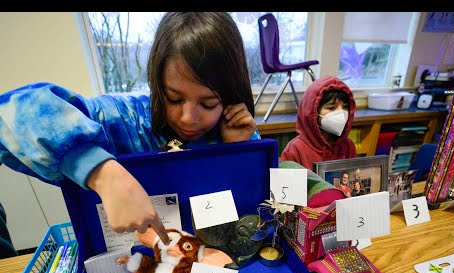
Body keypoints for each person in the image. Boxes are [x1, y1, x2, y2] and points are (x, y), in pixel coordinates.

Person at [0, 12, 260, 248]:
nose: (188, 118)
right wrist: (102, 174)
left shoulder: (239, 129)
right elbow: (11, 112)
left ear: (230, 95)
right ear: (158, 86)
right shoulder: (126, 119)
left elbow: (251, 221)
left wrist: (236, 152)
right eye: (173, 98)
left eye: (208, 103)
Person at [281, 76, 357, 170]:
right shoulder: (295, 149)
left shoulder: (348, 146)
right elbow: (287, 183)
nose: (341, 114)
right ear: (313, 112)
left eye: (345, 107)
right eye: (331, 108)